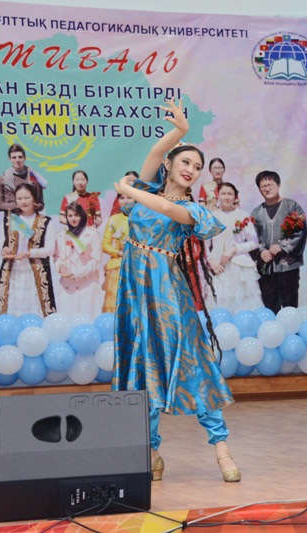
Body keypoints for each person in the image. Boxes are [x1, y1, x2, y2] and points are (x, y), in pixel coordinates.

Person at [111, 99, 240, 483]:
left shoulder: (191, 210)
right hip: (134, 292)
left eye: (197, 167)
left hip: (168, 293)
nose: (192, 170)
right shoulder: (149, 184)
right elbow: (154, 153)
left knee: (193, 362)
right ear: (170, 164)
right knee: (142, 368)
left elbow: (165, 210)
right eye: (185, 162)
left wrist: (127, 189)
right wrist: (180, 131)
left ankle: (222, 449)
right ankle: (151, 452)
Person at [249, 171, 307, 313]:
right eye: (263, 186)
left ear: (278, 185)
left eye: (270, 185)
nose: (267, 189)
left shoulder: (292, 206)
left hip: (288, 266)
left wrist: (282, 246)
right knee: (269, 307)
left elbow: (301, 232)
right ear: (259, 189)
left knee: (290, 306)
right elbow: (250, 237)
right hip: (266, 268)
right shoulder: (256, 213)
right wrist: (260, 252)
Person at [0, 183, 57, 317]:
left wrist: (30, 253)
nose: (23, 202)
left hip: (36, 271)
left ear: (34, 199)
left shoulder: (45, 221)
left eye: (27, 198)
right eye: (19, 198)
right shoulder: (9, 219)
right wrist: (4, 250)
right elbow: (1, 244)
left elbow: (50, 249)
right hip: (13, 272)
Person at [207, 182, 263, 313]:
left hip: (240, 268)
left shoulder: (243, 215)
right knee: (220, 306)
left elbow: (254, 242)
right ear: (218, 195)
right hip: (219, 267)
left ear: (235, 197)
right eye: (223, 193)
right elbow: (204, 244)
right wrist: (211, 260)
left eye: (230, 194)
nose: (226, 197)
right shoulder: (211, 217)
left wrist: (234, 248)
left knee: (244, 306)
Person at [54, 202, 102, 318]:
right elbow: (56, 257)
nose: (73, 219)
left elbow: (96, 260)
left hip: (87, 283)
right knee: (68, 320)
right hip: (68, 284)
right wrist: (60, 267)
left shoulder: (92, 234)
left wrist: (79, 273)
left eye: (76, 215)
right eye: (70, 216)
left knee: (88, 318)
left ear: (82, 216)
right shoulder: (61, 235)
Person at [0, 144, 46, 234]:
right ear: (9, 159)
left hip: (31, 220)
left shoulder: (33, 177)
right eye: (14, 157)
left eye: (20, 157)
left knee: (33, 243)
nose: (17, 160)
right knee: (13, 243)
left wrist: (34, 206)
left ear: (25, 158)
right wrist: (18, 205)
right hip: (12, 220)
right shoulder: (2, 179)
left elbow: (40, 203)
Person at [101, 192, 133, 313]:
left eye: (129, 197)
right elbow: (105, 244)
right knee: (115, 302)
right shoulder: (113, 220)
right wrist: (118, 253)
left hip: (136, 264)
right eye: (122, 198)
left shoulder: (141, 219)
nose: (125, 201)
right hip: (117, 266)